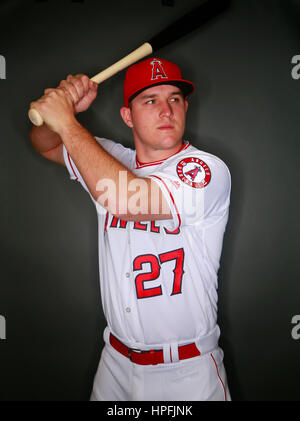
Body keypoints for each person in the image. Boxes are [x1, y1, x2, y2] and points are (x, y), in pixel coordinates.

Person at [29, 57, 231, 401]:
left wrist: (66, 120)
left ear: (185, 107)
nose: (166, 110)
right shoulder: (109, 160)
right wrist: (62, 111)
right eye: (150, 101)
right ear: (128, 116)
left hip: (186, 371)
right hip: (116, 364)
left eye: (175, 99)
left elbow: (127, 200)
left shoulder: (204, 170)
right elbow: (44, 142)